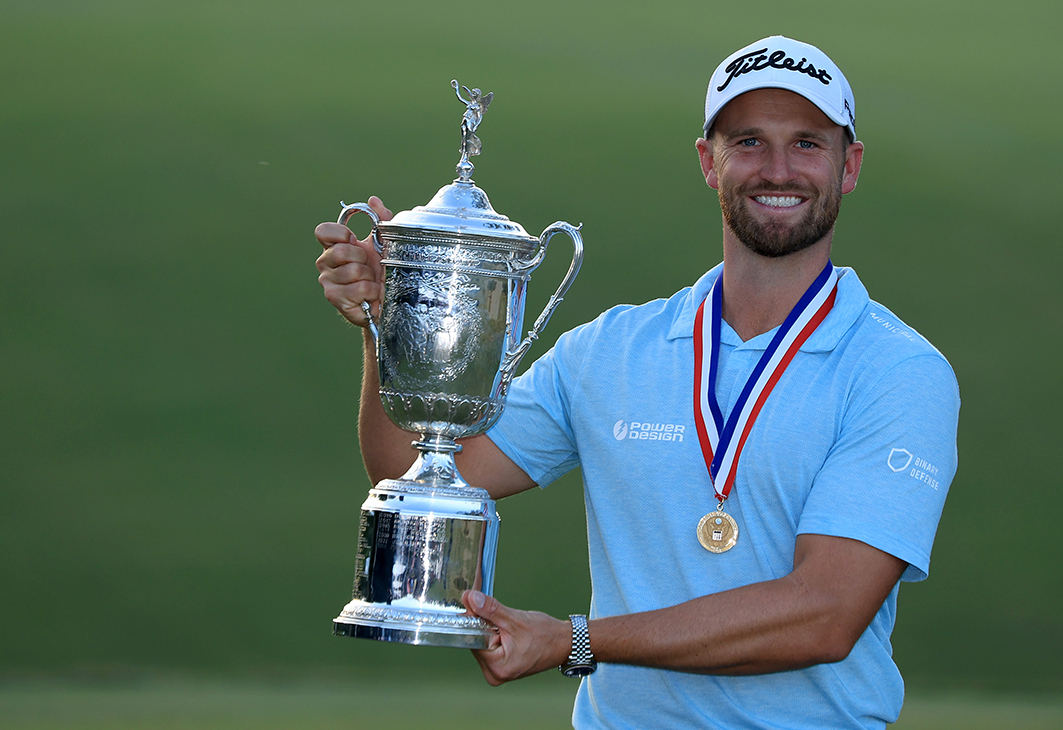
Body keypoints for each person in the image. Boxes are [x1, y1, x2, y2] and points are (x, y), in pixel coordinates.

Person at [315, 35, 959, 730]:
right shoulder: (612, 350)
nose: (778, 168)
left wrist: (575, 640)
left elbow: (825, 616)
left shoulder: (899, 372)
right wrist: (395, 325)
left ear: (849, 164)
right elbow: (409, 472)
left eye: (807, 143)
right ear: (708, 162)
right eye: (747, 142)